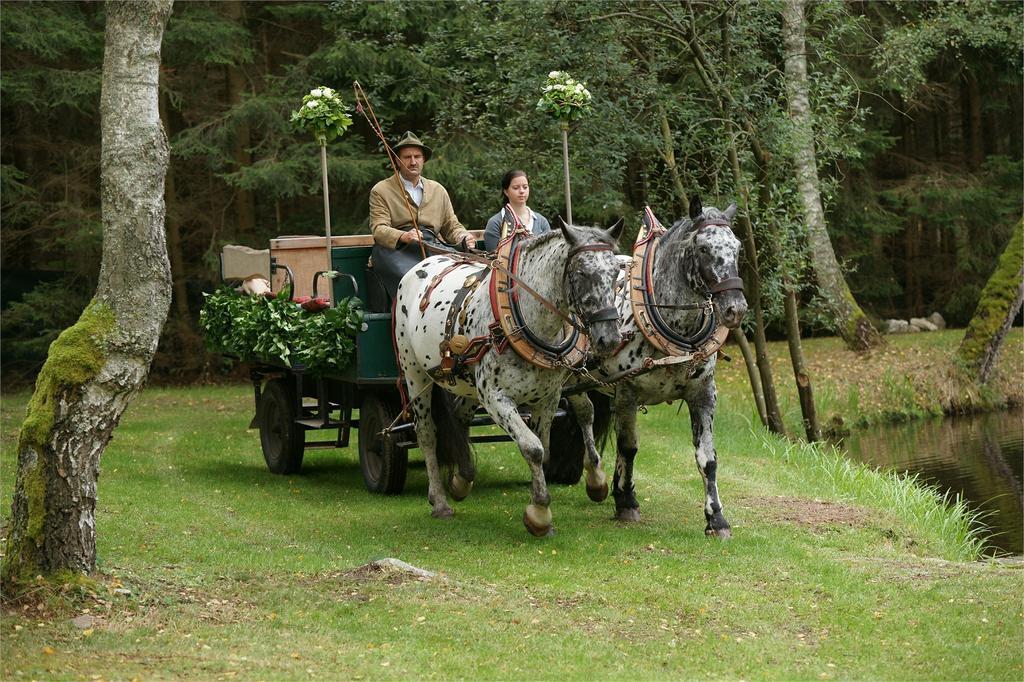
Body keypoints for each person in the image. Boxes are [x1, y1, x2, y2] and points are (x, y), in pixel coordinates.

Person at [367, 131, 473, 309]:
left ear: (424, 160)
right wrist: (403, 236)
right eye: (407, 157)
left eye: (417, 156)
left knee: (462, 275)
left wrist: (463, 237)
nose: (413, 161)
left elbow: (451, 226)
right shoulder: (381, 190)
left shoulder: (438, 190)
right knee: (416, 281)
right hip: (396, 252)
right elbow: (378, 229)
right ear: (397, 161)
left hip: (431, 247)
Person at [483, 170, 551, 251]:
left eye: (525, 187)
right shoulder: (495, 222)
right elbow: (493, 259)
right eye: (516, 188)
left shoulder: (541, 221)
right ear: (506, 191)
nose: (522, 191)